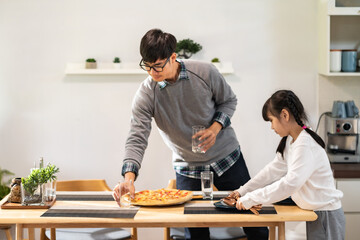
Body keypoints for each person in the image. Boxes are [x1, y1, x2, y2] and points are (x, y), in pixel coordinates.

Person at [112, 28, 268, 240]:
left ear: (173, 57)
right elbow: (137, 136)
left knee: (254, 222)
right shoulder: (147, 93)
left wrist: (215, 128)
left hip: (227, 159)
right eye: (147, 66)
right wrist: (129, 177)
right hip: (187, 168)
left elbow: (228, 101)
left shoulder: (205, 72)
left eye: (158, 66)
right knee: (195, 234)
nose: (152, 72)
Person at [230, 90, 345, 240]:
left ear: (284, 115)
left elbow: (290, 183)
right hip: (315, 214)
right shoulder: (292, 141)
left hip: (325, 216)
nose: (271, 127)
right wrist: (243, 191)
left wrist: (252, 198)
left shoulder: (305, 143)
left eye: (271, 120)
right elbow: (271, 171)